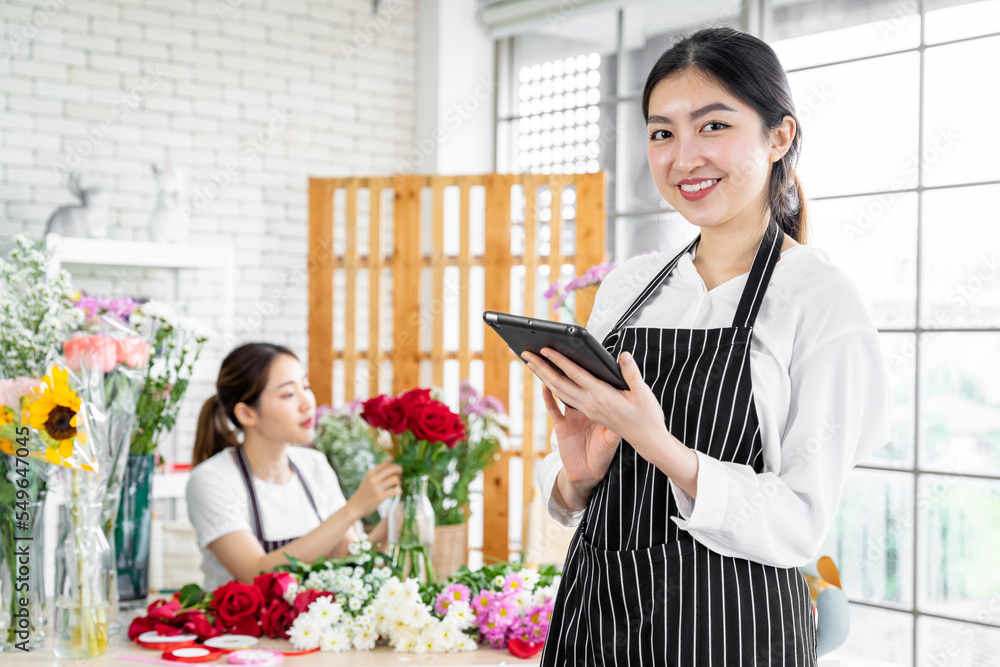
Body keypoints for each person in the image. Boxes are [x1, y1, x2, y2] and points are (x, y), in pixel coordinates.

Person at [526, 27, 892, 666]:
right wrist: (576, 476)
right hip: (599, 614)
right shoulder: (631, 286)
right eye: (662, 132)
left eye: (713, 126)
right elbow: (576, 498)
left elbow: (801, 519)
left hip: (732, 626)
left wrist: (659, 445)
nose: (683, 156)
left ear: (780, 137)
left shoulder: (820, 299)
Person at [186, 342, 402, 589]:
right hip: (237, 628)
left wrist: (397, 517)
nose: (307, 403)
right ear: (246, 414)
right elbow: (255, 575)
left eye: (306, 387)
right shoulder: (212, 479)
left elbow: (350, 559)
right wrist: (354, 509)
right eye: (288, 394)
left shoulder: (313, 465)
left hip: (310, 624)